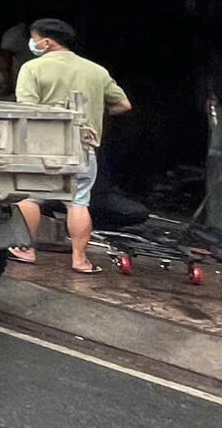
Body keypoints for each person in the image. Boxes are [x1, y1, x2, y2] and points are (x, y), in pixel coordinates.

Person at [9, 18, 132, 274]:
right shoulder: (96, 71)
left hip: (44, 146)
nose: (32, 43)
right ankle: (80, 260)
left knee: (31, 197)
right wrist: (97, 111)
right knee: (78, 201)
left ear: (46, 42)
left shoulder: (32, 68)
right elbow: (123, 105)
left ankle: (25, 249)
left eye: (34, 39)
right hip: (82, 146)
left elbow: (26, 109)